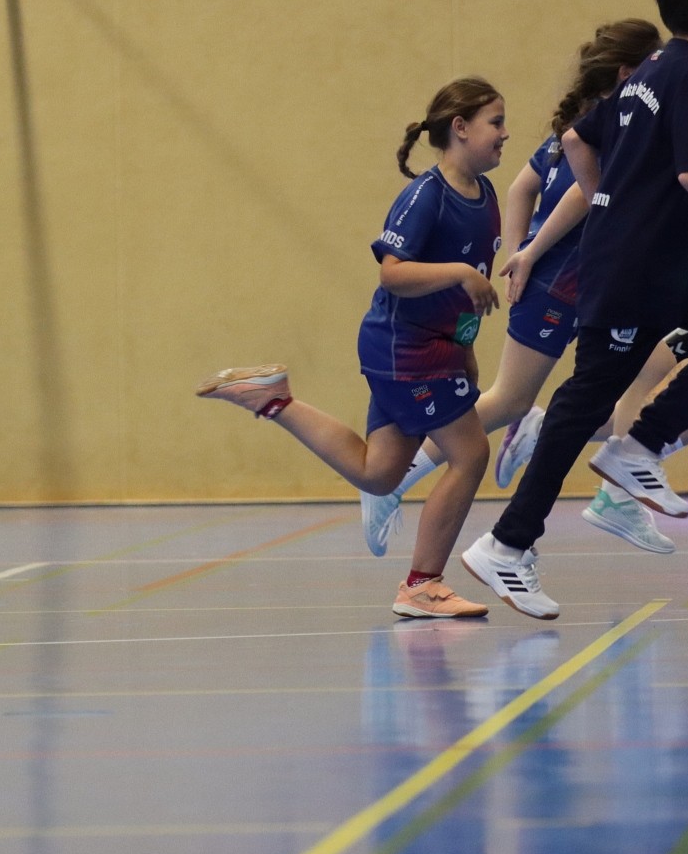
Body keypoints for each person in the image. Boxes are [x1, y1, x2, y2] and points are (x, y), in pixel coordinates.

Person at [459, 0, 688, 620]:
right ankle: (507, 544)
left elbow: (577, 139)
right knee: (583, 402)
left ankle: (638, 446)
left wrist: (609, 201)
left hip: (651, 262)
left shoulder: (654, 69)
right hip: (636, 265)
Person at [194, 76, 507, 618]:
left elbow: (465, 293)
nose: (505, 134)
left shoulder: (486, 196)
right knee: (471, 453)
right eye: (495, 122)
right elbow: (393, 274)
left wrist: (466, 348)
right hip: (406, 348)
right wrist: (459, 273)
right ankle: (423, 585)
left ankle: (274, 399)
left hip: (432, 347)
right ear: (460, 128)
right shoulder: (426, 196)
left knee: (379, 473)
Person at [355, 20, 665, 556]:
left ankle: (584, 466)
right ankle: (397, 482)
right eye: (654, 66)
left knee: (622, 382)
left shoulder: (586, 126)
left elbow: (521, 188)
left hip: (584, 280)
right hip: (558, 283)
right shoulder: (602, 129)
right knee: (508, 399)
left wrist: (516, 250)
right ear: (627, 73)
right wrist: (528, 255)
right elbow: (584, 196)